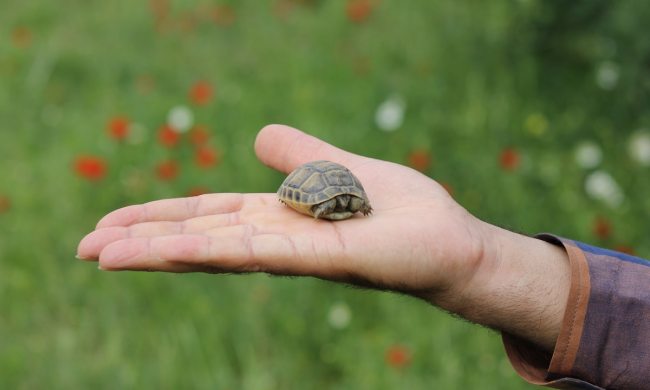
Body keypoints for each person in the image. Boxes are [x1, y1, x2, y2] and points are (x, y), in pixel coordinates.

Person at [77, 124, 650, 389]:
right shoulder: (323, 194)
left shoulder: (352, 203)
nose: (349, 209)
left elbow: (352, 207)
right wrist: (488, 262)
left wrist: (481, 261)